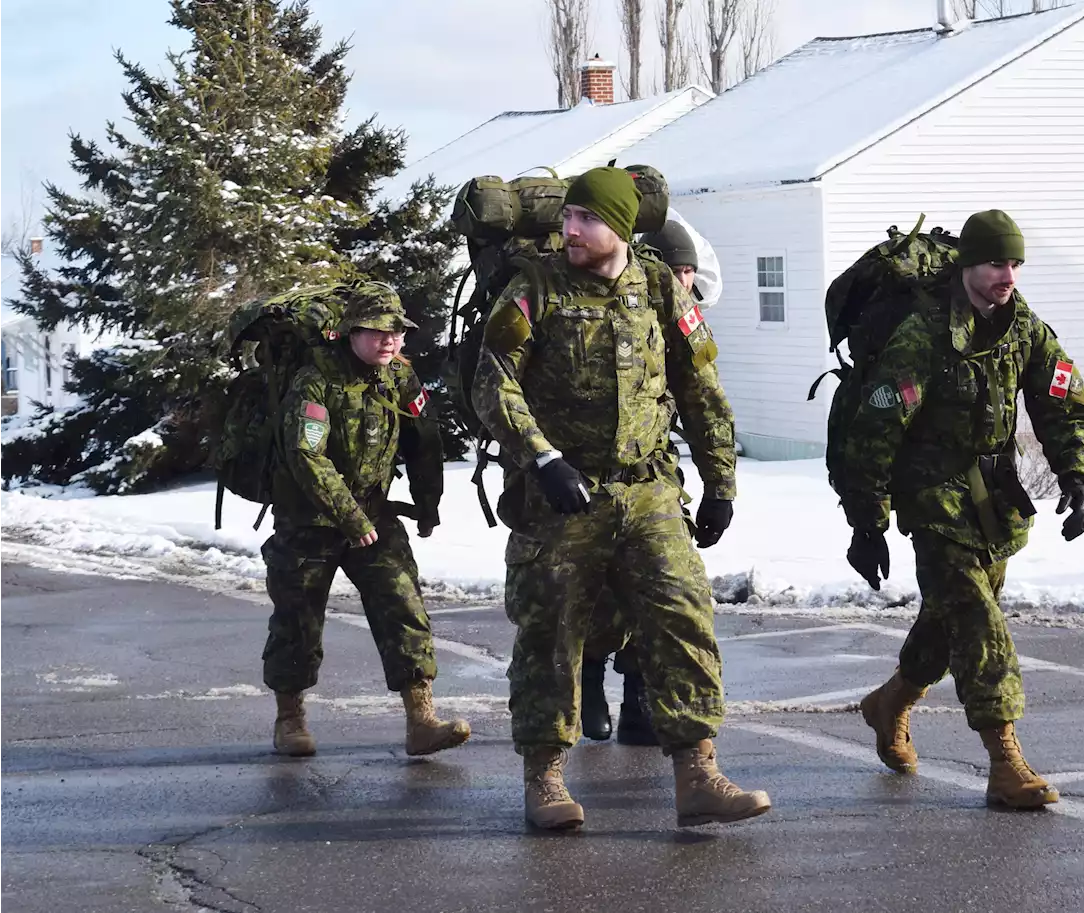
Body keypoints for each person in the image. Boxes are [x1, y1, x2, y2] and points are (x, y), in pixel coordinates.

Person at [472, 167, 771, 831]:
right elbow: (493, 383)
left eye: (586, 219)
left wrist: (720, 481)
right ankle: (544, 776)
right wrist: (541, 457)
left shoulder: (661, 287)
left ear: (623, 229)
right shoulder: (535, 288)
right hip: (561, 495)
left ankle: (698, 771)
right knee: (550, 629)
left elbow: (701, 387)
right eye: (568, 216)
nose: (570, 230)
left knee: (683, 612)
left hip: (648, 485)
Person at [829, 211, 1084, 809]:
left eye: (1015, 263)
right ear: (968, 265)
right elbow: (875, 428)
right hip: (930, 493)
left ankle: (890, 702)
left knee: (948, 620)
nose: (1007, 275)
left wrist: (1077, 476)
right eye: (996, 263)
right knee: (978, 622)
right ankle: (1006, 762)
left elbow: (1062, 401)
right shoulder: (923, 334)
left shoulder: (1022, 325)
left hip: (995, 497)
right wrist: (867, 522)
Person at [261, 282, 471, 759]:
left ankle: (421, 721)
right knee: (298, 618)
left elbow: (425, 438)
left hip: (374, 512)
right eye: (378, 332)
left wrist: (428, 501)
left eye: (397, 331)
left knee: (403, 604)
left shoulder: (401, 377)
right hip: (308, 520)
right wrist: (350, 519)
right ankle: (289, 718)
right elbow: (306, 456)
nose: (390, 341)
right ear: (350, 332)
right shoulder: (315, 381)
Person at [578, 218, 704, 748]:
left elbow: (701, 394)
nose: (682, 280)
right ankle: (586, 681)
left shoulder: (679, 315)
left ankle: (637, 700)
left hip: (655, 474)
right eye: (674, 269)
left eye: (689, 271)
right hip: (586, 480)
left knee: (653, 597)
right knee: (600, 595)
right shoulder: (612, 308)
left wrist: (720, 483)